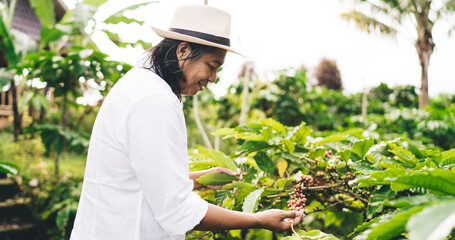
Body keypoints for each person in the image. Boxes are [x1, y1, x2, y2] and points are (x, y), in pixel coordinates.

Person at [70, 4, 304, 240]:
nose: (212, 78)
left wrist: (201, 179)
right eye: (211, 67)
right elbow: (177, 211)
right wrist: (258, 219)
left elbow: (142, 177)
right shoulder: (154, 100)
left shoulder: (142, 85)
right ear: (183, 51)